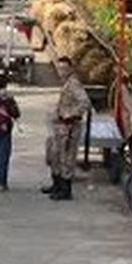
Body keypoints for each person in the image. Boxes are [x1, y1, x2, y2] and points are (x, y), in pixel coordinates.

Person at [44, 56, 91, 202]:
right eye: (59, 69)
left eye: (64, 69)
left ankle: (65, 190)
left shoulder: (73, 84)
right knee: (54, 155)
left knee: (66, 158)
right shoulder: (66, 83)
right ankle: (57, 184)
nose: (61, 72)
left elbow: (85, 102)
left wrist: (70, 115)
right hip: (60, 127)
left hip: (69, 128)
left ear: (70, 69)